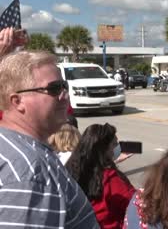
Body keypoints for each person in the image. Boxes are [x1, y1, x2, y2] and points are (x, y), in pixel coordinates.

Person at [0, 51, 99, 228]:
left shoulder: (11, 145)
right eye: (54, 89)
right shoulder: (30, 173)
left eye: (64, 86)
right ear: (17, 102)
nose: (65, 95)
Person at [65, 123, 135, 228]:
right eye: (114, 144)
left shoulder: (70, 168)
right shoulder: (109, 178)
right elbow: (133, 204)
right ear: (104, 149)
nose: (116, 149)